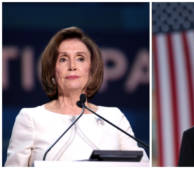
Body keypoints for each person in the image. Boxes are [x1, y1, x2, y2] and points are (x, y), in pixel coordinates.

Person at [5, 27, 148, 166]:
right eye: (63, 59)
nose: (72, 65)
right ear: (52, 71)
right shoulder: (30, 118)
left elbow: (141, 165)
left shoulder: (114, 118)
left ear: (92, 70)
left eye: (80, 58)